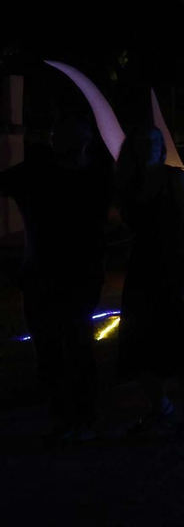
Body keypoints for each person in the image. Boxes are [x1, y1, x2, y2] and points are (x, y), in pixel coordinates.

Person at [0, 118, 113, 439]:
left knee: (69, 347)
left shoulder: (83, 175)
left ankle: (77, 416)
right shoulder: (54, 174)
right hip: (50, 275)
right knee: (56, 348)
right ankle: (68, 416)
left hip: (71, 276)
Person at [115, 127, 184, 441]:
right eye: (144, 140)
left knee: (183, 345)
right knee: (135, 342)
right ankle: (161, 405)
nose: (151, 145)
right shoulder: (130, 183)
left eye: (156, 140)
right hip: (144, 268)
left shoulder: (175, 179)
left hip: (177, 266)